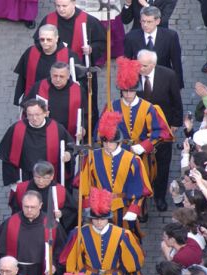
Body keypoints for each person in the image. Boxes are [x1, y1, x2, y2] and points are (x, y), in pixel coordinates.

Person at [78, 110, 152, 239]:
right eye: (105, 142)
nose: (107, 145)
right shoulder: (91, 157)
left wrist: (134, 209)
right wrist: (87, 207)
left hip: (123, 206)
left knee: (126, 238)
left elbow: (140, 189)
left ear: (118, 142)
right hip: (99, 207)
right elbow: (85, 184)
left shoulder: (133, 160)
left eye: (111, 142)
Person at [0, 190, 67, 275]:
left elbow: (61, 250)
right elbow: (1, 250)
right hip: (17, 271)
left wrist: (54, 265)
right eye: (26, 206)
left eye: (33, 207)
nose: (29, 210)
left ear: (40, 205)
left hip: (40, 272)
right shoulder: (11, 223)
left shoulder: (52, 225)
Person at [111, 56, 171, 189]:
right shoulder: (112, 107)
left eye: (131, 91)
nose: (127, 94)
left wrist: (145, 146)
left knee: (141, 187)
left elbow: (161, 132)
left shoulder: (149, 108)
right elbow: (102, 132)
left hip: (142, 155)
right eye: (124, 91)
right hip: (119, 153)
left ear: (136, 90)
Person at [136, 49, 183, 212]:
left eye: (145, 66)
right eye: (139, 65)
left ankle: (160, 196)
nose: (140, 68)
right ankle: (141, 199)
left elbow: (176, 101)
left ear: (153, 65)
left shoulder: (168, 75)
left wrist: (175, 123)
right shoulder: (133, 76)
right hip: (140, 130)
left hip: (162, 129)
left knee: (162, 164)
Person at [0, 98, 73, 187]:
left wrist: (68, 154)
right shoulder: (17, 128)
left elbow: (70, 147)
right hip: (25, 175)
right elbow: (6, 156)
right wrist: (14, 179)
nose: (34, 118)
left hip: (49, 176)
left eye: (37, 114)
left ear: (45, 113)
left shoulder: (57, 128)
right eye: (30, 115)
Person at [13, 24, 80, 105]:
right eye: (42, 39)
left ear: (56, 38)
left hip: (59, 100)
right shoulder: (30, 52)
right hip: (35, 98)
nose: (45, 42)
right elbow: (22, 77)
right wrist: (19, 100)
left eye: (49, 39)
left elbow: (78, 79)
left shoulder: (69, 55)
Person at [123, 6, 183, 89]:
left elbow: (176, 63)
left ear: (157, 21)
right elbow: (126, 63)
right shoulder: (131, 37)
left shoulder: (170, 36)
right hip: (140, 83)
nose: (145, 25)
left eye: (149, 22)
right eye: (143, 21)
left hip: (163, 81)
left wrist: (177, 86)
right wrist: (124, 86)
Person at [9, 160, 77, 232]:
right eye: (37, 177)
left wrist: (61, 213)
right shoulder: (22, 188)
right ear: (33, 174)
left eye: (45, 178)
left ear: (51, 177)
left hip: (50, 229)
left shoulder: (60, 190)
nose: (41, 181)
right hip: (27, 227)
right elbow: (15, 208)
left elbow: (71, 209)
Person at [24, 61, 87, 138]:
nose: (57, 79)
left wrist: (83, 128)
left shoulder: (78, 90)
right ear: (50, 74)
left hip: (68, 135)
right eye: (55, 76)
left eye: (61, 76)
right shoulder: (39, 86)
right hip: (42, 134)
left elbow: (85, 114)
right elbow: (26, 106)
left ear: (68, 76)